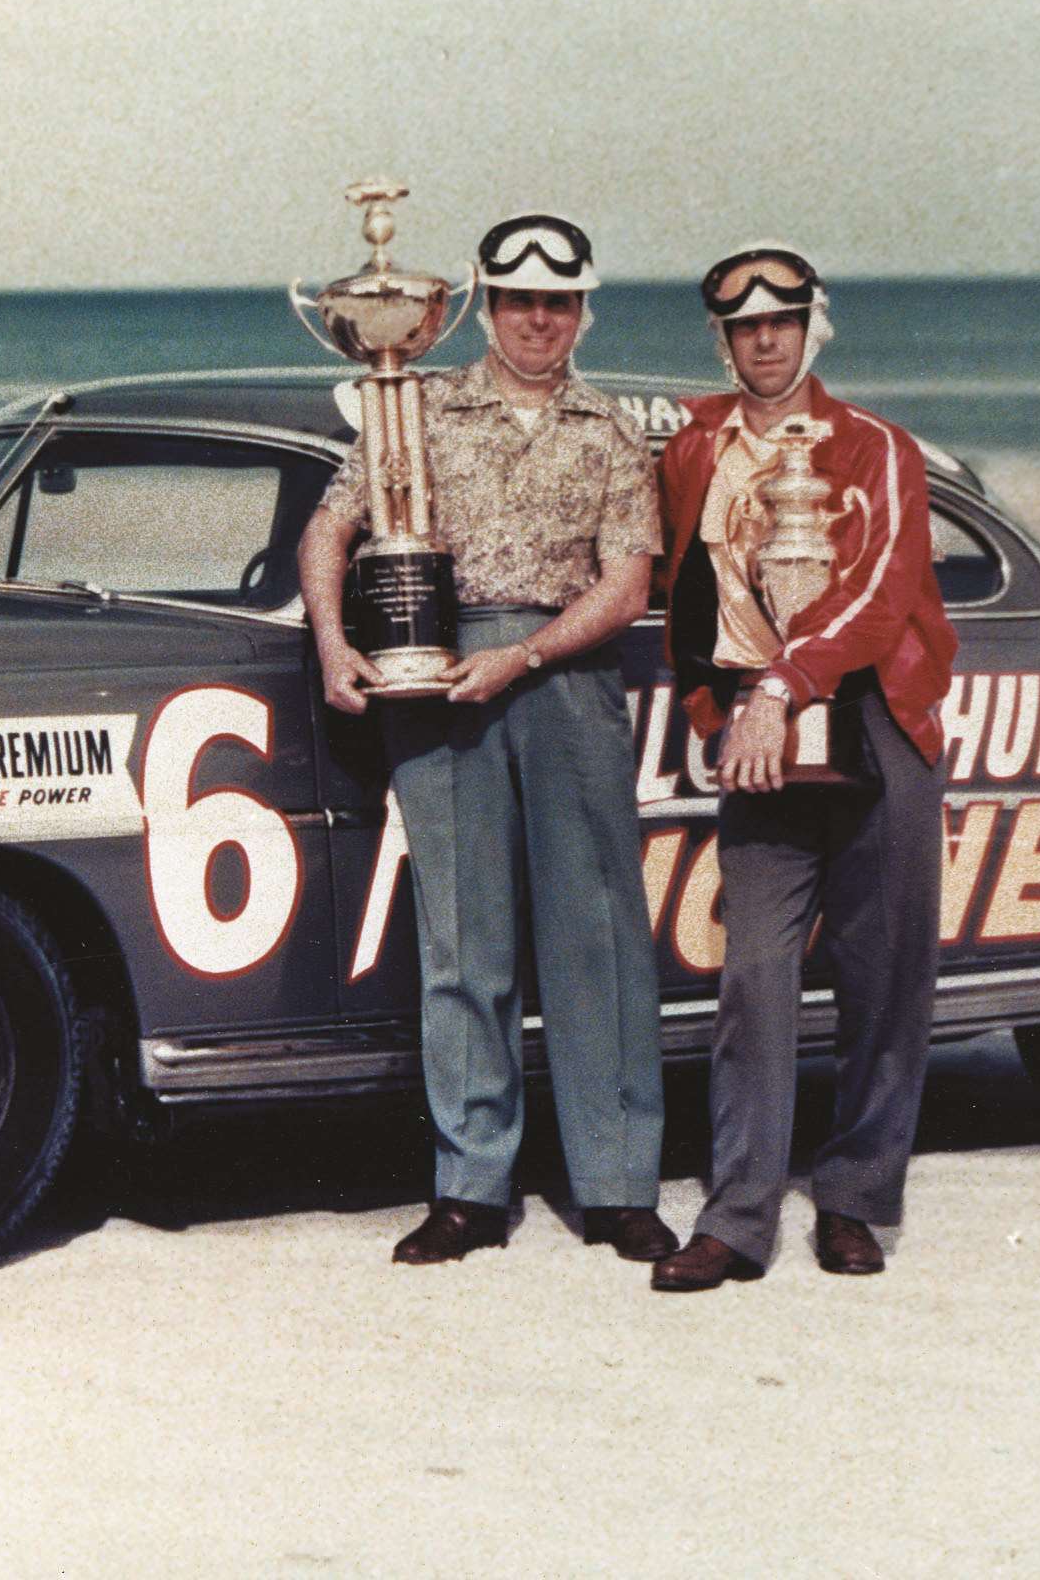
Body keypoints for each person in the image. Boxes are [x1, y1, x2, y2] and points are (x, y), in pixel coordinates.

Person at [297, 211, 672, 1266]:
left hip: (566, 681)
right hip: (437, 683)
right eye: (519, 300)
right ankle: (470, 1189)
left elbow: (628, 583)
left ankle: (618, 1186)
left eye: (560, 301)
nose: (540, 320)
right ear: (484, 304)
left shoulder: (611, 432)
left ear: (584, 309)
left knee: (595, 940)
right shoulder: (413, 411)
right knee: (465, 944)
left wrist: (529, 657)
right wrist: (335, 646)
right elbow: (332, 528)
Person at [647, 243, 958, 1290]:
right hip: (756, 732)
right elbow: (677, 590)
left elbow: (880, 593)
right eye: (744, 327)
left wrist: (782, 688)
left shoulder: (877, 447)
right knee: (754, 975)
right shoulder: (693, 450)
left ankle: (856, 1199)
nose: (764, 339)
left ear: (813, 326)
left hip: (871, 719)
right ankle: (738, 1218)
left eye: (781, 321)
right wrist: (717, 707)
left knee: (883, 972)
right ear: (724, 339)